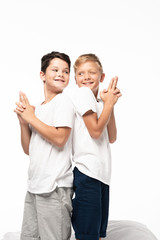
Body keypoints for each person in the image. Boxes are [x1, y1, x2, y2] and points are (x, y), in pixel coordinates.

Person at [14, 51, 75, 240]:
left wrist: (31, 118)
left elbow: (60, 138)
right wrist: (24, 123)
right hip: (34, 186)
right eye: (55, 70)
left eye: (65, 71)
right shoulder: (39, 108)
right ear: (42, 75)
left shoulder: (63, 101)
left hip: (54, 188)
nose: (61, 74)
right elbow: (29, 149)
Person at [71, 53, 122, 240]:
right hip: (87, 173)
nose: (86, 77)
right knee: (87, 234)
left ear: (101, 77)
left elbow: (112, 137)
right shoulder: (82, 93)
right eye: (81, 73)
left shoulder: (99, 102)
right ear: (75, 79)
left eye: (92, 72)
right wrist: (108, 104)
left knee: (98, 234)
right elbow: (95, 131)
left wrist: (109, 105)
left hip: (101, 176)